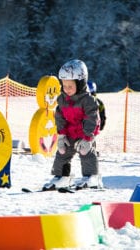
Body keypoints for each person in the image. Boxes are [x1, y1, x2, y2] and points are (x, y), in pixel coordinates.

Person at [43, 59, 102, 190]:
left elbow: (93, 119)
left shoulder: (88, 101)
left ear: (80, 83)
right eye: (64, 86)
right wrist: (62, 135)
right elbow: (59, 117)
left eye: (70, 86)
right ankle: (62, 177)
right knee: (62, 152)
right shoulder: (62, 99)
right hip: (69, 133)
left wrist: (88, 138)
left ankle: (91, 177)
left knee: (86, 153)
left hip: (84, 134)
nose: (67, 89)